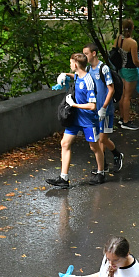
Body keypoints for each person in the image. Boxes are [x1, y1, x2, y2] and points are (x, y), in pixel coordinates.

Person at [46, 53, 105, 188]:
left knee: (94, 146)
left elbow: (92, 106)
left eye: (71, 63)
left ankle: (101, 172)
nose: (70, 65)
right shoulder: (78, 75)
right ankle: (63, 178)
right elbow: (75, 76)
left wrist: (74, 105)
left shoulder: (88, 81)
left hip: (88, 120)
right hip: (75, 119)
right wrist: (65, 75)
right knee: (64, 143)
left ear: (76, 65)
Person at [83, 43, 124, 175]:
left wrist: (104, 107)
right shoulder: (88, 69)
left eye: (86, 54)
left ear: (93, 53)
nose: (84, 56)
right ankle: (103, 165)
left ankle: (117, 154)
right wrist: (66, 75)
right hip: (95, 110)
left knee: (103, 139)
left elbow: (111, 89)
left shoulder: (103, 68)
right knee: (98, 138)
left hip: (105, 110)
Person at [113, 18, 139, 130]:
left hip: (121, 69)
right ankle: (126, 121)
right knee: (127, 97)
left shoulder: (118, 39)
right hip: (130, 71)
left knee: (122, 95)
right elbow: (135, 61)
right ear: (132, 28)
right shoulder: (132, 43)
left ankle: (121, 118)